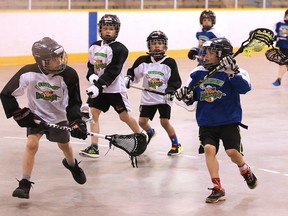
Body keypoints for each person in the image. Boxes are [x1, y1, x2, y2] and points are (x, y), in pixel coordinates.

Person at [0, 37, 88, 199]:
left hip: (59, 118)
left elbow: (74, 102)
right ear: (42, 61)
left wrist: (76, 122)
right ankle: (24, 183)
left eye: (60, 57)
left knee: (65, 146)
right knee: (31, 144)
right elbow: (7, 94)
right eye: (54, 59)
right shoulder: (28, 73)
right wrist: (18, 113)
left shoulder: (68, 75)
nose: (59, 61)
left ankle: (71, 164)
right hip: (36, 117)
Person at [175, 38, 258, 203]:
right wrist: (185, 95)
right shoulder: (197, 72)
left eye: (211, 53)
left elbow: (245, 88)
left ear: (221, 55)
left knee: (232, 153)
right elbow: (190, 98)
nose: (206, 56)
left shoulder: (235, 71)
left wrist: (232, 72)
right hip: (207, 122)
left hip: (228, 121)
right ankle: (217, 187)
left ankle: (244, 169)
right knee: (208, 149)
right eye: (206, 52)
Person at [80, 14, 141, 158]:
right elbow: (91, 66)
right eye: (105, 28)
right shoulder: (94, 46)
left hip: (115, 90)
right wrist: (91, 76)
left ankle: (140, 137)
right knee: (93, 114)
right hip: (100, 90)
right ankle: (94, 147)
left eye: (111, 29)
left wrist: (98, 85)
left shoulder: (120, 49)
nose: (108, 31)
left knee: (124, 117)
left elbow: (113, 70)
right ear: (100, 29)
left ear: (116, 31)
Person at [125, 30, 183, 156]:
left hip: (164, 98)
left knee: (164, 122)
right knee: (142, 122)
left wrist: (170, 90)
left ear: (165, 46)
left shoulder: (170, 62)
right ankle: (150, 132)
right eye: (153, 43)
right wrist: (128, 79)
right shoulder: (142, 60)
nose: (156, 46)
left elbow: (175, 81)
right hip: (148, 98)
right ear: (149, 46)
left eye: (160, 43)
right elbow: (133, 74)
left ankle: (176, 145)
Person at [272, 9, 288, 86]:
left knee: (283, 63)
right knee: (283, 63)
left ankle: (279, 78)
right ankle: (279, 79)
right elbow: (274, 34)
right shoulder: (279, 24)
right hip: (282, 46)